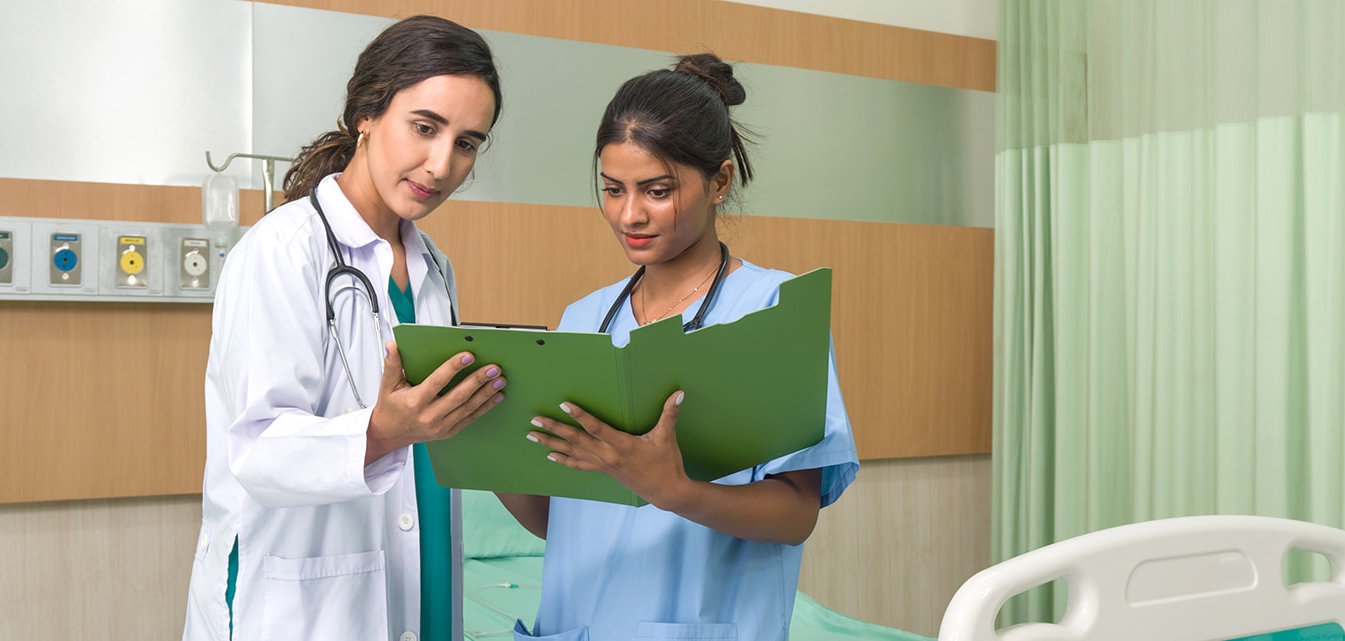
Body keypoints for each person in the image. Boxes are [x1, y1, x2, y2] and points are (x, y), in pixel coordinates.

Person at [497, 53, 859, 641]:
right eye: (612, 190)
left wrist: (673, 490)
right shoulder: (583, 319)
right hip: (574, 625)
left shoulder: (774, 310)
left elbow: (796, 515)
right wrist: (490, 447)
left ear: (719, 181)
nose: (629, 214)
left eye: (657, 190)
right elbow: (559, 523)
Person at [182, 15, 508, 641]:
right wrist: (384, 430)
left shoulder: (434, 266)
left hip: (422, 578)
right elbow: (257, 449)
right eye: (424, 127)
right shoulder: (283, 250)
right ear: (366, 112)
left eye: (466, 143)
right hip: (305, 601)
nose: (441, 165)